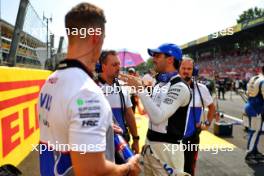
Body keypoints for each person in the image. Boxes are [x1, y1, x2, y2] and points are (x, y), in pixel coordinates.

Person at [38, 3, 140, 175]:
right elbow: (92, 171)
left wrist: (100, 127)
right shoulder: (87, 92)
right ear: (95, 37)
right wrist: (130, 167)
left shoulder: (51, 80)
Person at [120, 43, 191, 176]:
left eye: (157, 55)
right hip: (150, 145)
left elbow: (158, 117)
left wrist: (140, 89)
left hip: (168, 149)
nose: (154, 58)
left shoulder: (180, 86)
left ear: (170, 59)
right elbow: (148, 112)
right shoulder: (158, 83)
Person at [96, 50, 140, 162]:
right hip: (99, 142)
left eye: (119, 64)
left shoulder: (122, 86)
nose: (118, 67)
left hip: (121, 141)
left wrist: (136, 139)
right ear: (103, 66)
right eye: (114, 65)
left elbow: (129, 115)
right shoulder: (92, 86)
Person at [179, 58, 216, 176]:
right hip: (172, 139)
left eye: (189, 69)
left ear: (193, 71)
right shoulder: (170, 87)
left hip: (192, 138)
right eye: (183, 68)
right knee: (172, 169)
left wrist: (207, 123)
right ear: (178, 69)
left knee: (188, 170)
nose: (186, 71)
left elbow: (212, 108)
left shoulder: (201, 89)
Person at [244, 66, 264, 164]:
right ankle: (249, 154)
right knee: (255, 132)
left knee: (256, 131)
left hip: (250, 105)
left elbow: (247, 92)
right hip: (257, 109)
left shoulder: (255, 78)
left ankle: (254, 151)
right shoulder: (263, 81)